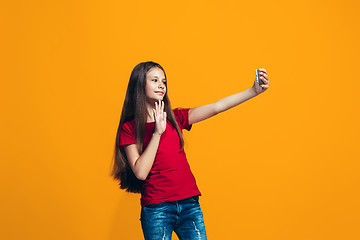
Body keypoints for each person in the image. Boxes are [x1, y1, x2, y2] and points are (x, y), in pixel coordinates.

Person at [112, 61, 270, 240]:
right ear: (139, 85)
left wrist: (253, 91)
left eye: (164, 81)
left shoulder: (176, 118)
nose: (161, 85)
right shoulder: (129, 128)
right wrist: (157, 132)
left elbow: (216, 107)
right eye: (154, 80)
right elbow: (140, 172)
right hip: (157, 209)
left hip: (189, 204)